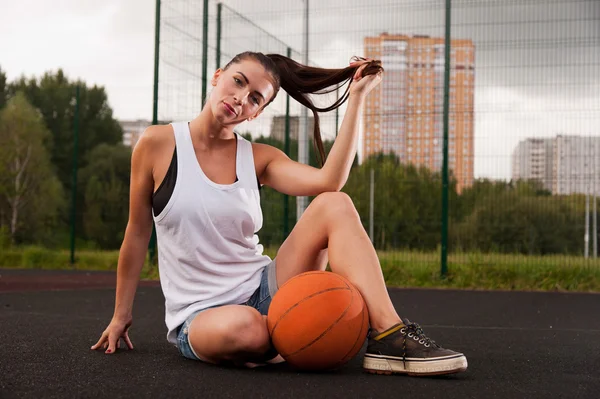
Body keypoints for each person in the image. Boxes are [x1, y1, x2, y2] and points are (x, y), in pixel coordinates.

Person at [91, 51, 468, 376]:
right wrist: (120, 314)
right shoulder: (157, 143)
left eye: (255, 98)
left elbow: (329, 180)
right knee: (248, 331)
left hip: (265, 288)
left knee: (334, 204)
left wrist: (356, 99)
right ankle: (291, 336)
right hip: (202, 314)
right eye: (237, 82)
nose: (240, 98)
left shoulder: (258, 157)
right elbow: (138, 232)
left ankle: (388, 335)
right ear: (217, 76)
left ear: (257, 113)